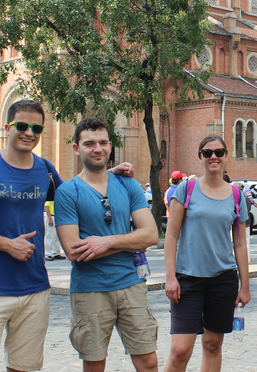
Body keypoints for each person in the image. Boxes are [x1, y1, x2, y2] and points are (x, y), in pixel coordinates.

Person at [0, 100, 135, 372]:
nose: (29, 132)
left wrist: (109, 174)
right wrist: (7, 245)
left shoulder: (45, 170)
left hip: (34, 287)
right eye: (22, 126)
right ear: (8, 127)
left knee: (24, 367)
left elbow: (77, 193)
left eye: (36, 127)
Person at [55, 118, 159, 372]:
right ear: (77, 148)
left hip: (131, 284)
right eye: (89, 143)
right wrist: (130, 243)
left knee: (148, 362)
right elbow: (74, 251)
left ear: (111, 146)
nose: (97, 148)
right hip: (90, 290)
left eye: (102, 143)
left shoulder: (128, 184)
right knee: (94, 363)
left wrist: (106, 242)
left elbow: (152, 236)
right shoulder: (68, 192)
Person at [164, 134, 250, 372]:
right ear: (200, 157)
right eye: (208, 153)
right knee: (180, 350)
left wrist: (245, 285)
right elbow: (171, 236)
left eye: (219, 152)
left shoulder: (236, 195)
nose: (214, 157)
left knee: (212, 345)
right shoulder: (186, 189)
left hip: (222, 280)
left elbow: (240, 243)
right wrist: (170, 277)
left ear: (225, 156)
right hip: (187, 279)